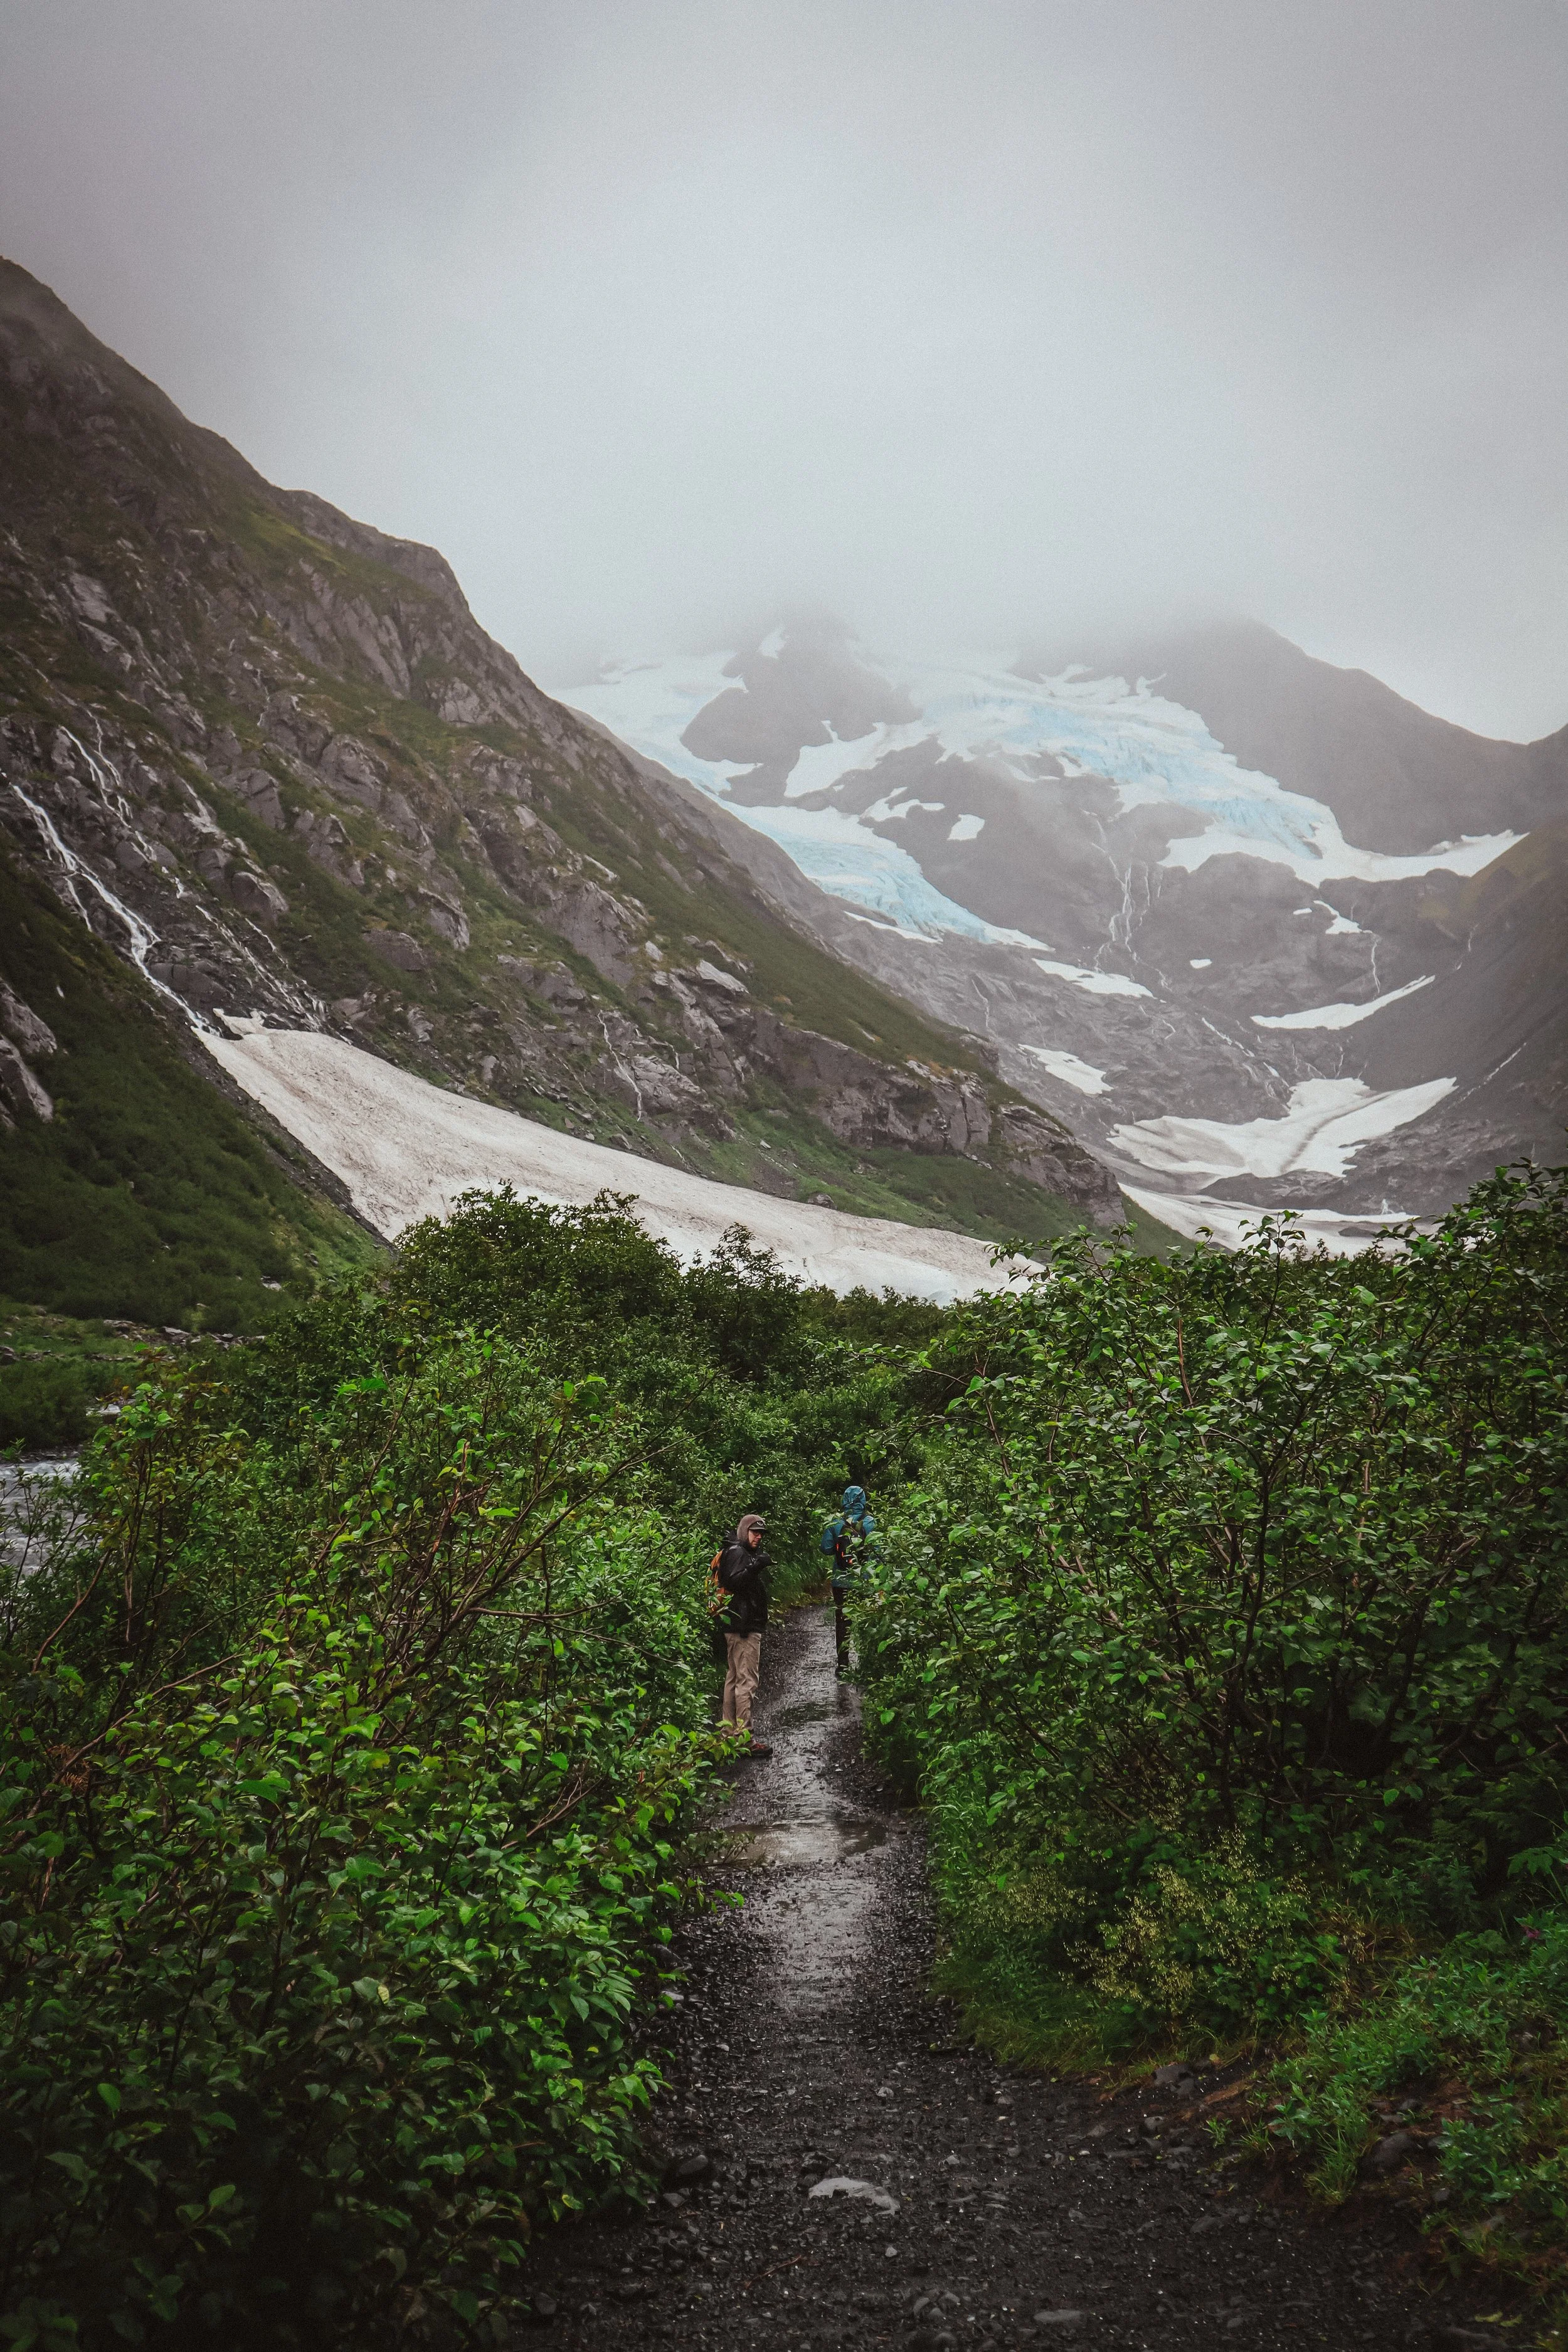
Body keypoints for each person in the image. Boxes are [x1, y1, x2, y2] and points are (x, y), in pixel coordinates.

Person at [715, 1512, 773, 1757]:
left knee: (734, 1678)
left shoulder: (734, 1551)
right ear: (744, 1531)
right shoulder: (738, 1552)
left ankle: (729, 1735)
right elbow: (735, 1581)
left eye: (761, 1533)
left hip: (737, 1626)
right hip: (743, 1628)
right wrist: (758, 1565)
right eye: (754, 1532)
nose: (758, 1537)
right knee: (746, 1682)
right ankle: (744, 1739)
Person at [820, 1483, 877, 1675]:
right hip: (864, 1581)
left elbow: (826, 1549)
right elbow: (878, 1552)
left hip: (840, 1581)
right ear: (863, 1500)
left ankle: (843, 1665)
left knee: (843, 1622)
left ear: (844, 1500)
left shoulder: (836, 1523)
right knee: (865, 1620)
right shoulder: (870, 1522)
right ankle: (866, 1663)